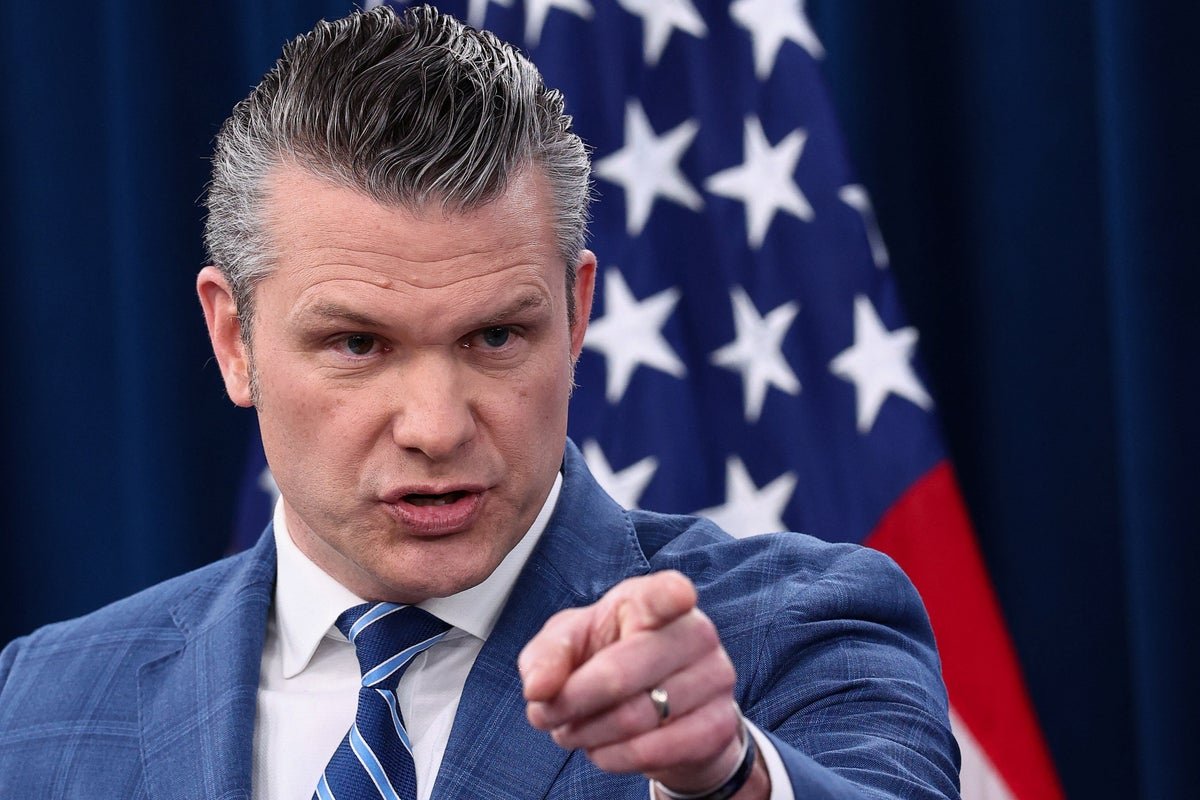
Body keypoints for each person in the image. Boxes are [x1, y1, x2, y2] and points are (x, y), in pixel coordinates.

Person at [0, 6, 959, 799]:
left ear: (578, 314)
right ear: (233, 339)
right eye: (358, 344)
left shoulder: (799, 631)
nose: (436, 427)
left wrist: (726, 776)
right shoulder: (39, 704)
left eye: (495, 337)